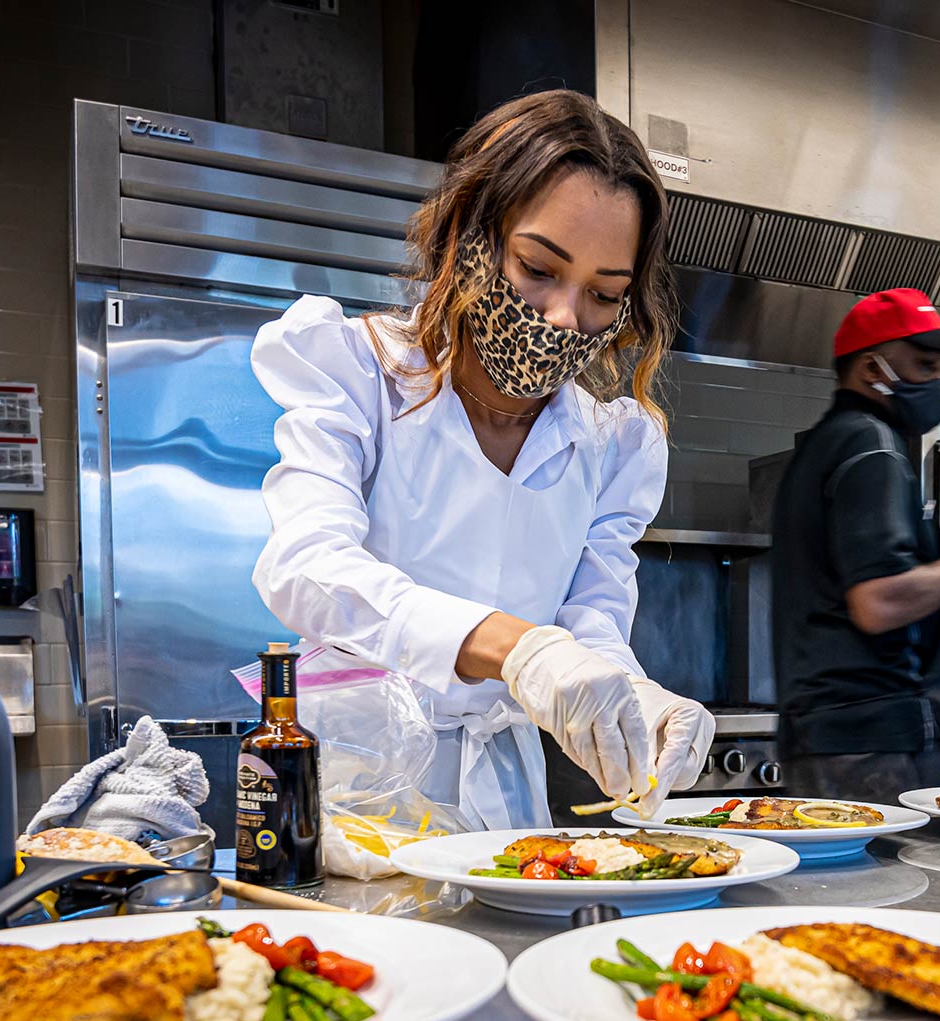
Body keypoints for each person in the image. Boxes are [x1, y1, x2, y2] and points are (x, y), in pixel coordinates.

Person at [249, 90, 713, 831]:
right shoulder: (360, 373)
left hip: (508, 805)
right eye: (538, 268)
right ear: (470, 235)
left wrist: (634, 697)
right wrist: (516, 648)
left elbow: (589, 624)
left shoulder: (608, 444)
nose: (566, 317)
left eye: (604, 293)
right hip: (361, 790)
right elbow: (306, 566)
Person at [770, 289, 940, 802]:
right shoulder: (872, 446)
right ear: (872, 369)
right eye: (926, 366)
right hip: (878, 742)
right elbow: (879, 602)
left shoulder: (825, 445)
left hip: (834, 737)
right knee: (933, 881)